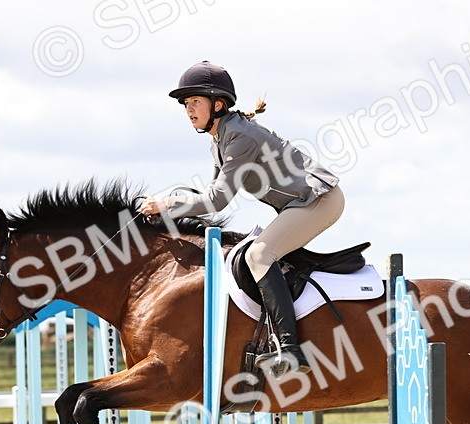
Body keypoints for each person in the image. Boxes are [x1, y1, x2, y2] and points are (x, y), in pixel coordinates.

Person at [138, 61, 344, 376]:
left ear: (217, 104)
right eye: (185, 105)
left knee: (260, 254)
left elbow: (216, 200)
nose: (188, 110)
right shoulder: (220, 139)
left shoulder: (239, 137)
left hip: (320, 200)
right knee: (255, 251)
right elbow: (211, 198)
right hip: (298, 204)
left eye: (195, 102)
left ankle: (291, 352)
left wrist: (165, 203)